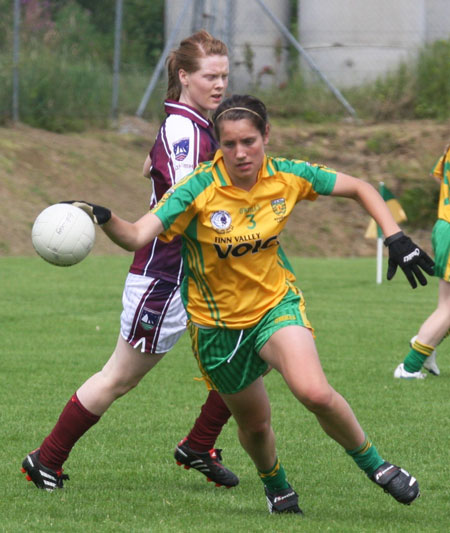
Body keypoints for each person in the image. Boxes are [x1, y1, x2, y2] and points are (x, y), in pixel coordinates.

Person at [53, 94, 433, 514]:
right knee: (254, 425)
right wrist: (103, 218)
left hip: (275, 306)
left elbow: (360, 187)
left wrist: (395, 236)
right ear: (217, 144)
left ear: (266, 135)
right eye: (229, 144)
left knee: (315, 392)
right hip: (217, 330)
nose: (240, 153)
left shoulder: (287, 175)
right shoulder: (197, 188)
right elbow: (137, 235)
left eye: (249, 141)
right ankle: (277, 486)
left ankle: (377, 467)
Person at [21, 30, 240, 492]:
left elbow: (149, 167)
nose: (220, 84)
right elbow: (186, 203)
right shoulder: (185, 129)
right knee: (119, 377)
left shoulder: (193, 122)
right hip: (167, 277)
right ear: (184, 76)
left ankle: (199, 445)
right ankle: (46, 459)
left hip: (200, 275)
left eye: (225, 75)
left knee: (254, 351)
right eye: (210, 76)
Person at [394, 143, 450, 379]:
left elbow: (438, 176)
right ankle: (409, 367)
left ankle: (426, 345)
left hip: (444, 225)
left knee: (445, 304)